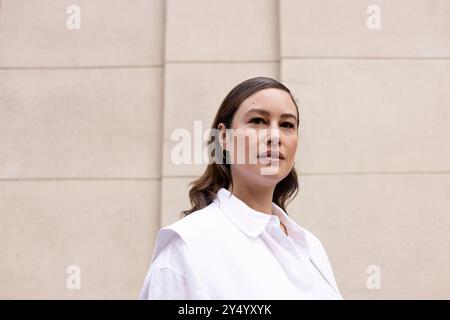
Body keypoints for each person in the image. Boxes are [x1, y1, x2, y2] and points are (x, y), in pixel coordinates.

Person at [139, 76, 343, 299]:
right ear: (224, 137)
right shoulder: (188, 247)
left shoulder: (311, 247)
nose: (275, 136)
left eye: (287, 125)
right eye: (258, 121)